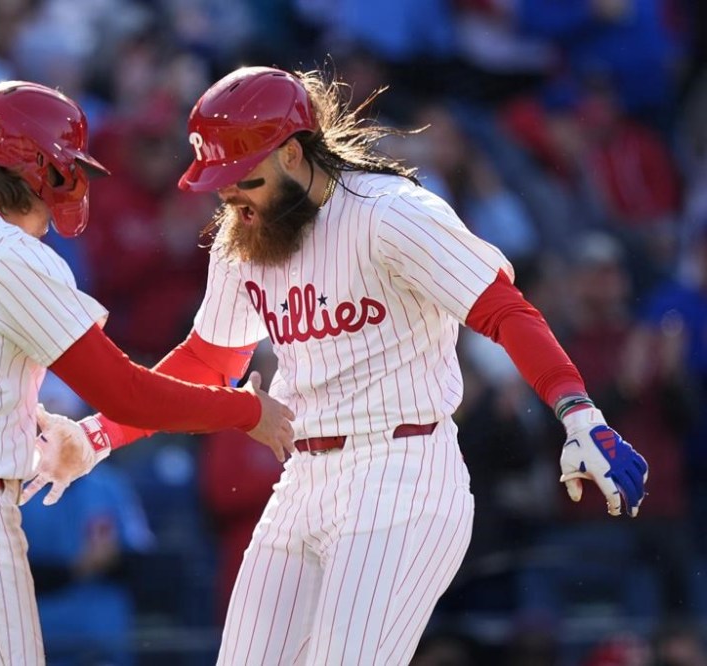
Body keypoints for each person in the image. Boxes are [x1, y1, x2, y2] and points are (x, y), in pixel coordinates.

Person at [34, 66, 649, 665]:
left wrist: (578, 413)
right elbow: (208, 360)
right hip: (303, 477)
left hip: (402, 473)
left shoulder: (391, 213)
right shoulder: (241, 237)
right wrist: (96, 435)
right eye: (217, 180)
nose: (226, 194)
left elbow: (505, 312)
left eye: (242, 177)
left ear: (295, 156)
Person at [0, 80, 294, 666]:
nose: (72, 183)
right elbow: (125, 392)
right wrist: (246, 410)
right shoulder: (7, 251)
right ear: (36, 165)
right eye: (66, 169)